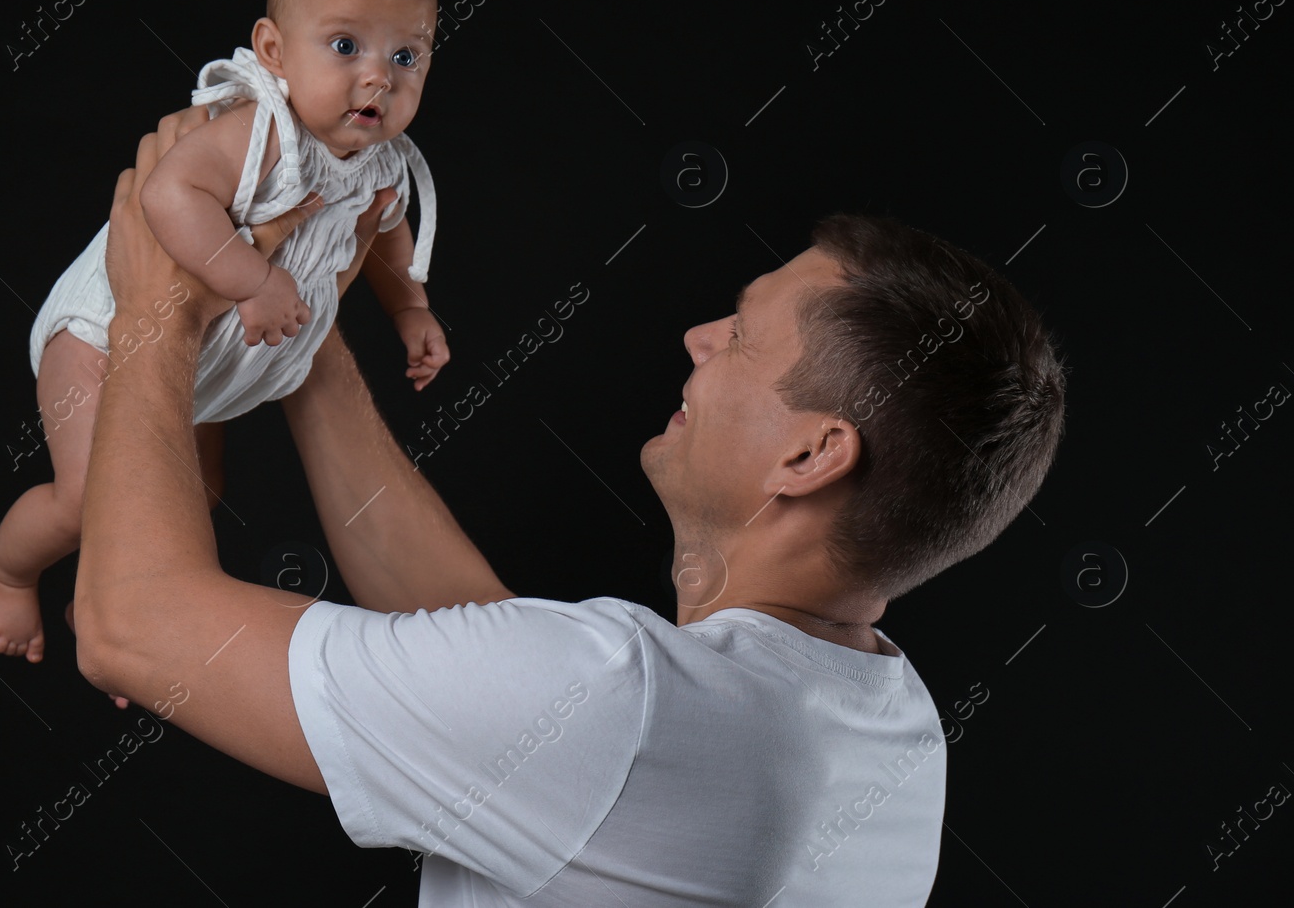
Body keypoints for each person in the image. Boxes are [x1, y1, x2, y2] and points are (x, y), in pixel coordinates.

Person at [73, 108, 1068, 905]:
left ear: (809, 453)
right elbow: (490, 659)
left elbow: (132, 628)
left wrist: (156, 303)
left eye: (743, 334)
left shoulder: (618, 704)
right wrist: (304, 328)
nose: (696, 336)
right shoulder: (889, 728)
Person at [0, 0, 450, 663]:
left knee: (185, 503)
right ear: (273, 51)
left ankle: (101, 607)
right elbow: (168, 196)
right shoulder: (259, 132)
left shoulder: (383, 156)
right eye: (345, 46)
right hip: (104, 337)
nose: (378, 78)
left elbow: (388, 231)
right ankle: (6, 569)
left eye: (407, 55)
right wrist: (257, 280)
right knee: (85, 501)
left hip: (206, 361)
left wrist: (410, 307)